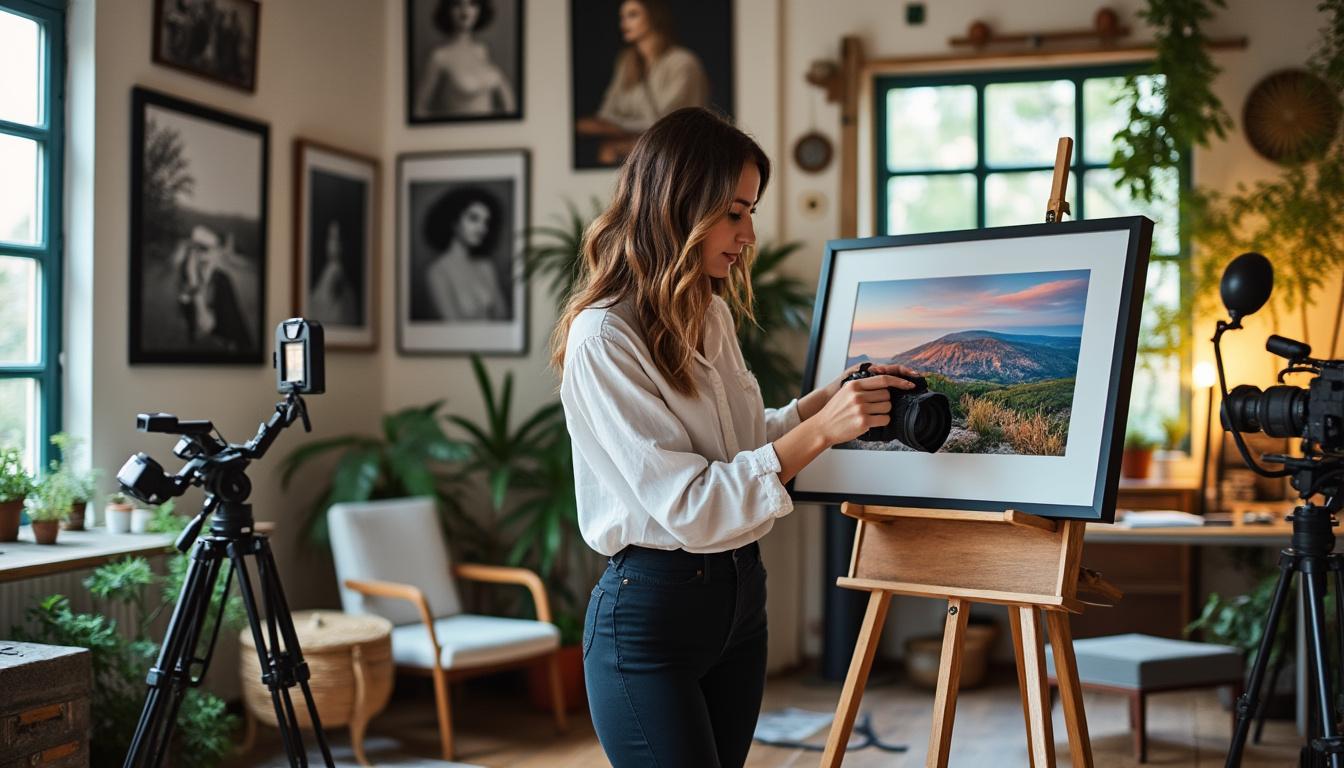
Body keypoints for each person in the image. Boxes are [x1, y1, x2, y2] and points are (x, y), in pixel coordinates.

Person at [552, 107, 918, 767]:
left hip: (741, 602)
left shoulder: (708, 313)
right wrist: (820, 433)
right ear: (677, 206)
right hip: (651, 619)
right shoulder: (604, 336)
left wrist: (819, 406)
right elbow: (692, 503)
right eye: (734, 212)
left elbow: (743, 448)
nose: (749, 233)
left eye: (749, 211)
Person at [576, 0, 710, 164]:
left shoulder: (682, 62)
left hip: (675, 151)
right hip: (638, 142)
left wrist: (616, 128)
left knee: (610, 149)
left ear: (654, 17)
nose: (624, 23)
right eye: (622, 17)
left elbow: (667, 122)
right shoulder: (626, 62)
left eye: (633, 15)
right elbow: (608, 110)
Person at [418, 186, 509, 321]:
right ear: (454, 221)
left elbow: (503, 317)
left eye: (485, 222)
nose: (482, 228)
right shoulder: (438, 271)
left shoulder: (486, 267)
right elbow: (451, 325)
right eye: (473, 218)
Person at [413, 0, 516, 119]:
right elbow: (419, 109)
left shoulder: (483, 51)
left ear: (480, 10)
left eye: (472, 3)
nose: (465, 10)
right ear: (448, 10)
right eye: (457, 4)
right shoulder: (440, 56)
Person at [309, 220, 359, 327]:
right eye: (332, 238)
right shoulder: (327, 273)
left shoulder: (340, 275)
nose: (334, 244)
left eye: (338, 239)